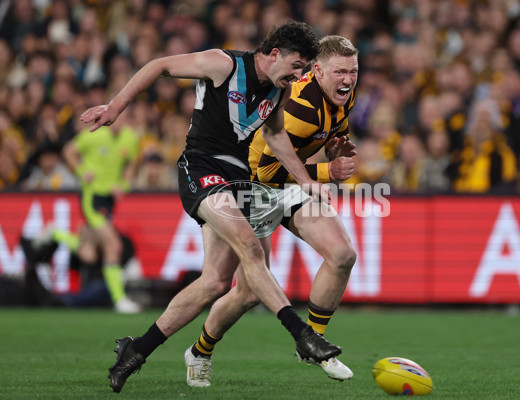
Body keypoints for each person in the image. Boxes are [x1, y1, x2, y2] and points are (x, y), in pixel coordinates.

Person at [80, 20, 341, 393]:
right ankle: (302, 335)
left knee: (217, 282)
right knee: (250, 247)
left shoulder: (278, 92)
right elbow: (159, 66)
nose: (299, 75)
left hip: (237, 181)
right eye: (297, 66)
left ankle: (135, 350)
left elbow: (275, 133)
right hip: (200, 167)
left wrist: (306, 180)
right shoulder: (224, 64)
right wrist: (116, 106)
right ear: (273, 54)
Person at [184, 35, 359, 387]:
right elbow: (267, 171)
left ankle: (312, 342)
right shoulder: (298, 105)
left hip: (289, 185)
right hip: (251, 186)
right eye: (341, 71)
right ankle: (200, 351)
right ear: (318, 70)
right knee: (246, 293)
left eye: (354, 71)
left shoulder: (343, 94)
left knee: (342, 255)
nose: (349, 79)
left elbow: (320, 138)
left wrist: (334, 151)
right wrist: (326, 172)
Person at [62, 115, 141, 314]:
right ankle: (119, 299)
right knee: (114, 245)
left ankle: (54, 233)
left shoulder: (129, 138)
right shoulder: (94, 134)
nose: (119, 122)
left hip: (108, 200)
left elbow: (132, 163)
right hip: (91, 196)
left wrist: (124, 183)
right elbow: (69, 151)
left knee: (88, 253)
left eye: (124, 118)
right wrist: (81, 171)